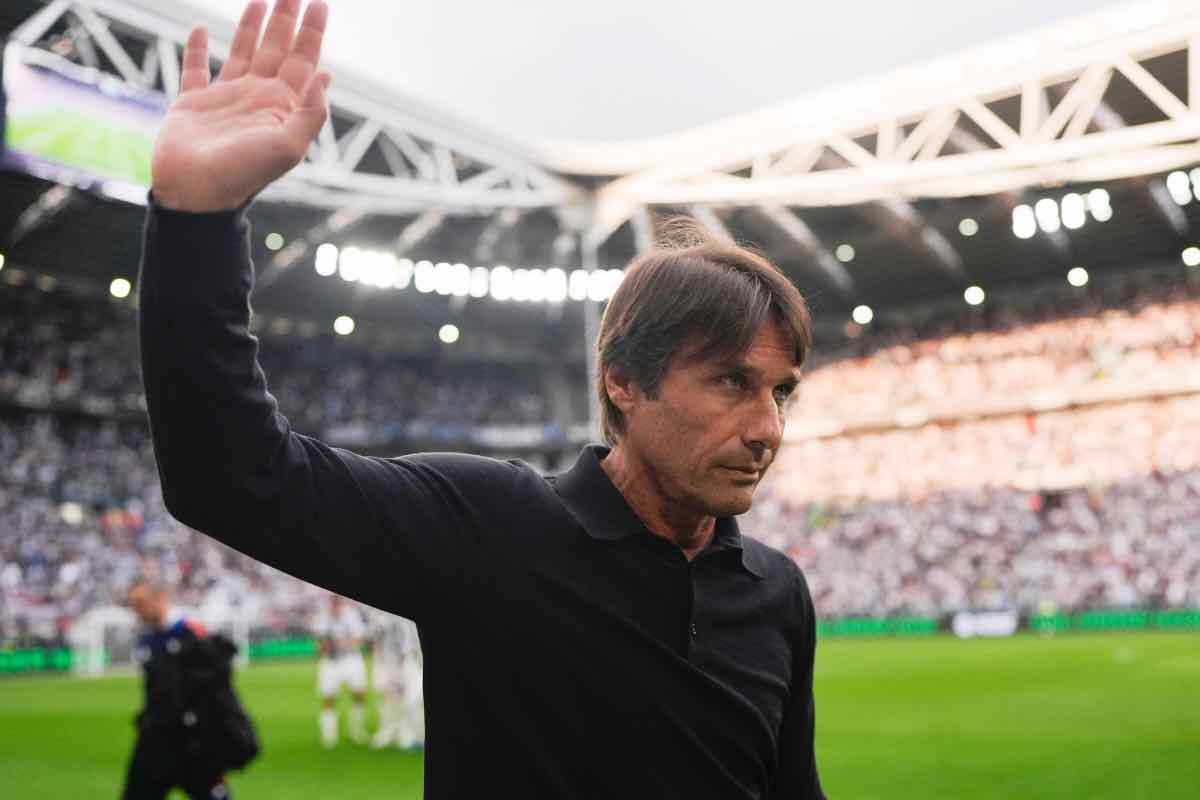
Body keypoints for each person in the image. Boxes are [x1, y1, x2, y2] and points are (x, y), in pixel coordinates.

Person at [139, 1, 824, 796]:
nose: (767, 428)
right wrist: (198, 222)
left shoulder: (777, 593)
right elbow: (229, 478)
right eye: (733, 382)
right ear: (624, 382)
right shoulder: (489, 530)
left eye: (781, 392)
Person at [122, 580, 241, 800]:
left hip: (193, 742)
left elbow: (218, 686)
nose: (136, 610)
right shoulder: (146, 640)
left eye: (140, 603)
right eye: (132, 605)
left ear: (160, 598)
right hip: (155, 739)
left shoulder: (193, 633)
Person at [313, 594, 369, 747]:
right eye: (333, 602)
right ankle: (329, 736)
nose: (335, 605)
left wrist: (346, 643)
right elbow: (319, 641)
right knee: (328, 697)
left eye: (338, 602)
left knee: (359, 693)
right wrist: (325, 646)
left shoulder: (352, 615)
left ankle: (356, 730)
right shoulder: (323, 616)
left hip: (351, 659)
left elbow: (360, 638)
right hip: (330, 662)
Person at [369, 608, 424, 750]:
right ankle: (391, 731)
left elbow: (410, 644)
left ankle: (410, 734)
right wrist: (382, 662)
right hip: (391, 662)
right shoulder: (381, 618)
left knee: (412, 699)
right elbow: (377, 641)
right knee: (392, 697)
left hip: (410, 662)